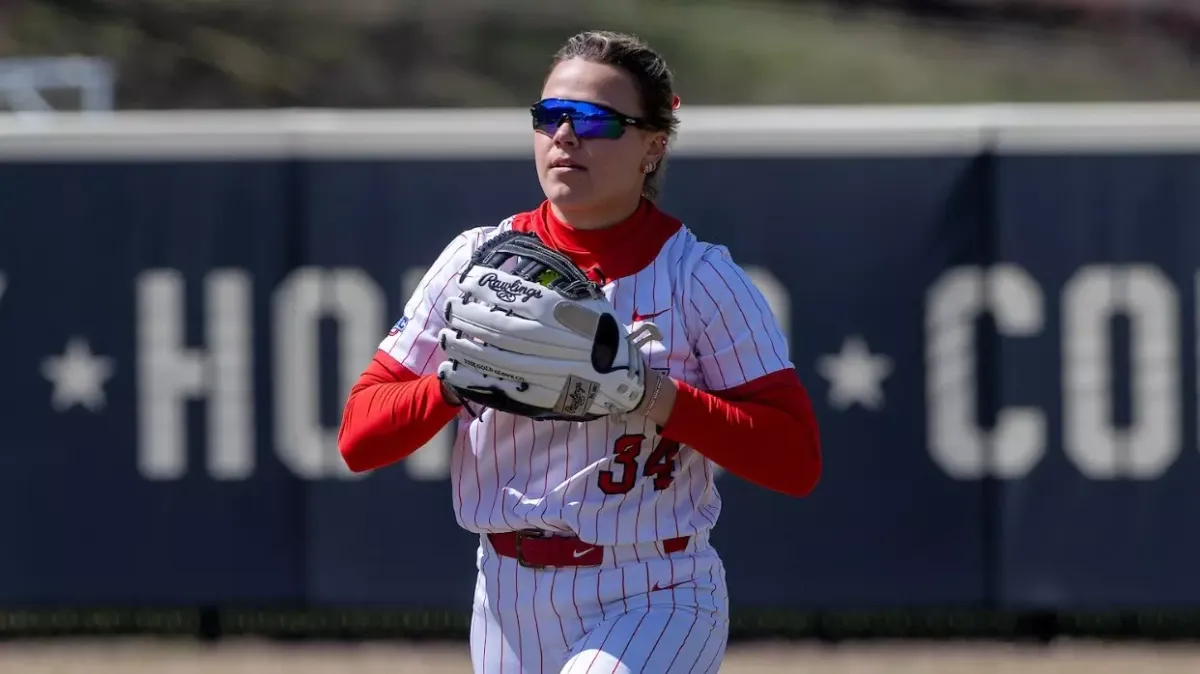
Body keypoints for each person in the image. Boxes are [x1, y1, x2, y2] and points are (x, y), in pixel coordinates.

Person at [337, 29, 822, 674]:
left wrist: (652, 395)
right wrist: (454, 384)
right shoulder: (477, 261)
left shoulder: (699, 277)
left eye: (594, 119)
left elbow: (795, 459)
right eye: (550, 116)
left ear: (653, 145)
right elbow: (359, 437)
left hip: (654, 585)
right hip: (506, 593)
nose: (565, 135)